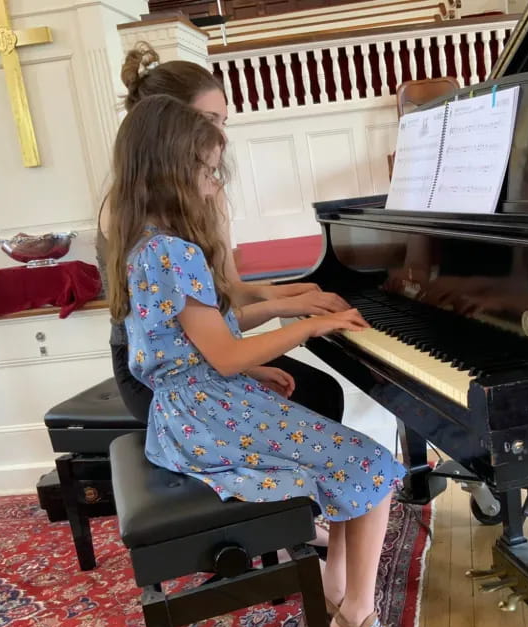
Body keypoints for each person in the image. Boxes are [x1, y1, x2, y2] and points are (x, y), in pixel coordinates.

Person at [105, 93, 415, 627]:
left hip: (188, 409)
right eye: (207, 170)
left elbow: (202, 334)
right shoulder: (174, 251)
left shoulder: (144, 243)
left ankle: (337, 594)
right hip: (207, 411)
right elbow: (220, 354)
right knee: (372, 464)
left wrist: (279, 321)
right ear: (173, 171)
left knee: (345, 459)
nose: (216, 184)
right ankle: (361, 616)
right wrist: (315, 322)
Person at [98, 42, 347, 427]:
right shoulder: (137, 217)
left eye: (222, 121)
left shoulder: (195, 197)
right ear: (170, 127)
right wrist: (290, 313)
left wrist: (281, 295)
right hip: (158, 369)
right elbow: (203, 328)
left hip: (197, 351)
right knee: (315, 396)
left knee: (316, 391)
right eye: (209, 120)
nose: (220, 135)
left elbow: (223, 295)